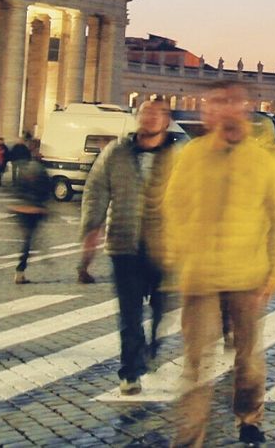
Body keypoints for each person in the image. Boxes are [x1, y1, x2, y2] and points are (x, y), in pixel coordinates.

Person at [163, 79, 275, 448]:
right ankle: (189, 437)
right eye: (214, 102)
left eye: (230, 102)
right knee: (195, 365)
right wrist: (176, 255)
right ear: (205, 110)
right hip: (200, 276)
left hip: (248, 275)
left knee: (248, 359)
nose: (222, 109)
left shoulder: (267, 158)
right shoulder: (191, 155)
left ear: (242, 108)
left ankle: (249, 416)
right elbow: (173, 208)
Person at [78, 97, 180, 395]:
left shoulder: (180, 155)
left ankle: (152, 344)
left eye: (156, 114)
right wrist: (91, 228)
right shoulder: (116, 152)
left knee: (162, 308)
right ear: (137, 116)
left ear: (166, 120)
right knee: (130, 313)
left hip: (166, 246)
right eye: (145, 112)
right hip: (124, 244)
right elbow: (96, 190)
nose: (149, 118)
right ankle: (130, 371)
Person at [9, 147, 52, 284]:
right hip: (33, 209)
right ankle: (20, 270)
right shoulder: (42, 171)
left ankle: (21, 269)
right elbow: (45, 190)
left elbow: (17, 189)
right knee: (28, 240)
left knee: (27, 239)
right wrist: (42, 207)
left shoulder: (24, 169)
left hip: (21, 208)